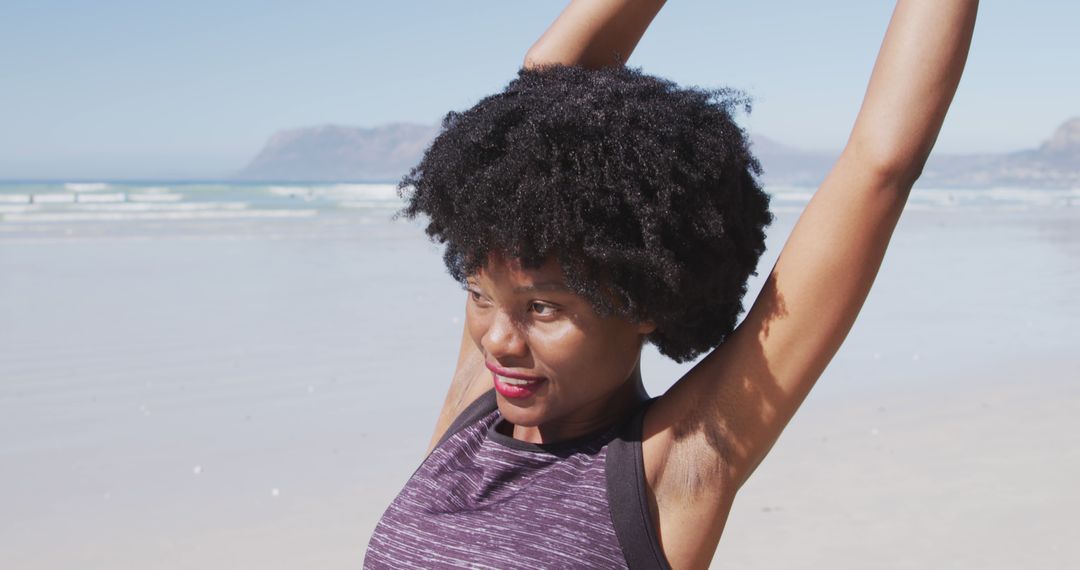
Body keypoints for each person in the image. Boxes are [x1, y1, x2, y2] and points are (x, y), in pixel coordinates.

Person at [364, 0, 978, 568]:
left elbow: (879, 167)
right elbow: (544, 87)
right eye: (478, 294)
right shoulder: (473, 418)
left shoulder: (668, 468)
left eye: (543, 308)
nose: (497, 339)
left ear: (641, 304)